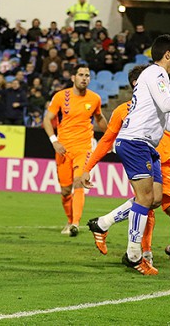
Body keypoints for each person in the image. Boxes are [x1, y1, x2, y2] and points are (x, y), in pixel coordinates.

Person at [77, 35, 170, 275]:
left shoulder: (157, 77)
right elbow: (166, 104)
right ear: (167, 55)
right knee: (144, 200)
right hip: (135, 142)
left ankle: (103, 224)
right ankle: (134, 256)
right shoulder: (156, 74)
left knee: (153, 199)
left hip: (147, 146)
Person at [42, 64, 107, 237]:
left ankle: (75, 224)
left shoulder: (94, 99)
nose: (84, 78)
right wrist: (54, 141)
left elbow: (99, 118)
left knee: (79, 182)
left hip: (84, 148)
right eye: (80, 75)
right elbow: (47, 119)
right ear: (73, 78)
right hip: (63, 149)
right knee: (65, 191)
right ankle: (70, 220)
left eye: (87, 75)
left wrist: (111, 136)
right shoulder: (61, 97)